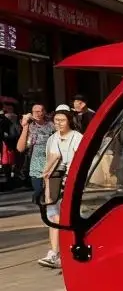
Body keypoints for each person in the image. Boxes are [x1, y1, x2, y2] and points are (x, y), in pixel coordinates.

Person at [38, 105, 83, 269]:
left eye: (62, 120)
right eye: (56, 120)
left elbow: (78, 160)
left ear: (69, 120)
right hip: (55, 180)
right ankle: (54, 253)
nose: (59, 123)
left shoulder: (77, 137)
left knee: (69, 216)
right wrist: (46, 179)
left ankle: (68, 251)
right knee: (53, 216)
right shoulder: (52, 138)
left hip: (72, 180)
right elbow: (52, 157)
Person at [16, 103, 54, 206]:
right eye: (34, 111)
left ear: (44, 112)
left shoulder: (52, 125)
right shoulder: (30, 126)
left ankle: (48, 211)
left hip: (52, 163)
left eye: (39, 111)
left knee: (50, 193)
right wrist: (25, 127)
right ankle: (37, 199)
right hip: (36, 165)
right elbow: (20, 148)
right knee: (39, 190)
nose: (37, 113)